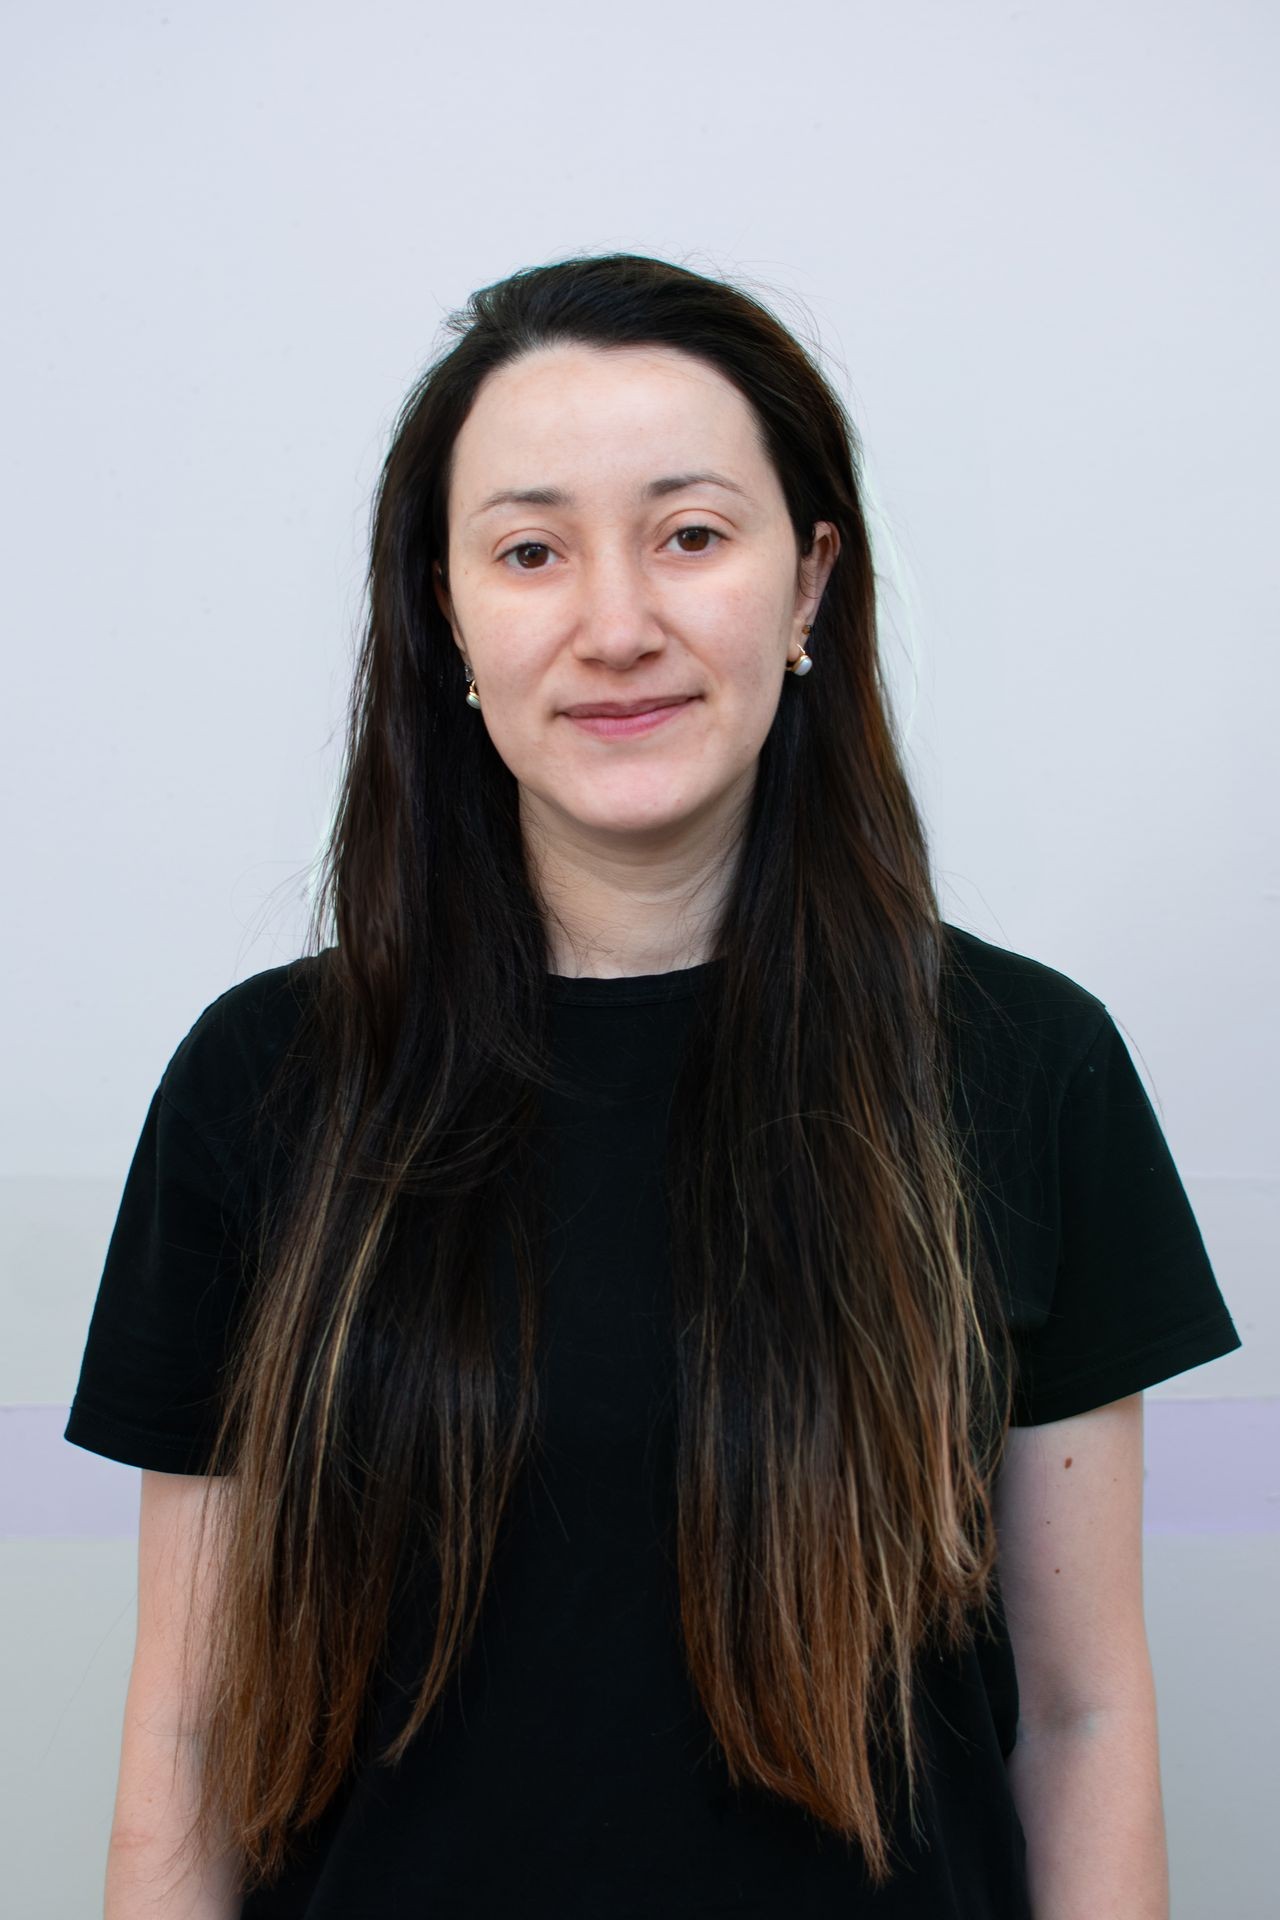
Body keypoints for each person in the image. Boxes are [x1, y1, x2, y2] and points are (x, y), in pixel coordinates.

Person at [64, 251, 1242, 1920]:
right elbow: (184, 1744)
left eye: (692, 535)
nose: (618, 626)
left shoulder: (1022, 1063)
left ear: (811, 577)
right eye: (532, 551)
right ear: (448, 608)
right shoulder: (262, 1087)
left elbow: (1085, 1714)